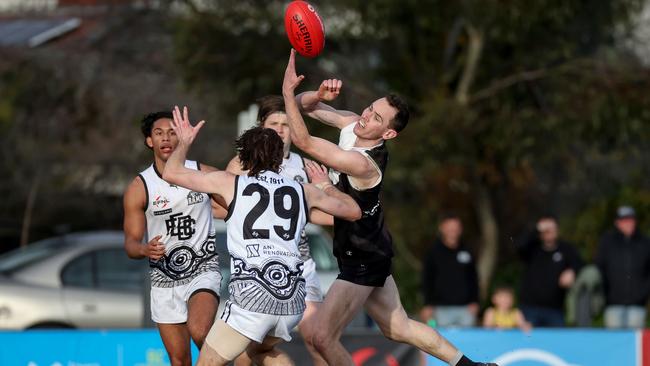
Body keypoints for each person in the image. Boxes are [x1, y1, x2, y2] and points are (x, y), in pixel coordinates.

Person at [282, 49, 497, 366]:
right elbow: (303, 108)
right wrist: (317, 94)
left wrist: (287, 91)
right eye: (370, 109)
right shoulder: (353, 124)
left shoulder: (364, 164)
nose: (366, 116)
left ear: (388, 134)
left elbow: (304, 141)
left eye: (376, 119)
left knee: (320, 337)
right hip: (370, 247)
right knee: (398, 328)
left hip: (363, 256)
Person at [162, 106, 362, 366]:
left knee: (207, 363)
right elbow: (353, 211)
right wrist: (324, 185)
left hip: (253, 299)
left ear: (244, 158)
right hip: (291, 301)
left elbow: (171, 173)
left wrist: (185, 143)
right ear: (280, 158)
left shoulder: (231, 182)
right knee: (259, 353)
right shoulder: (303, 190)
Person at [224, 95, 328, 366]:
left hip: (300, 266)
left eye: (286, 124)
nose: (281, 130)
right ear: (261, 126)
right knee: (249, 349)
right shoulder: (243, 164)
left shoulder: (306, 167)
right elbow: (222, 205)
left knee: (318, 338)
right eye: (274, 123)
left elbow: (324, 214)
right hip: (258, 269)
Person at [123, 111, 222, 366]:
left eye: (172, 132)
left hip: (203, 269)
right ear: (149, 141)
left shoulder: (202, 172)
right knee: (179, 360)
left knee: (200, 331)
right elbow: (130, 243)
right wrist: (144, 249)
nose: (166, 138)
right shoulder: (140, 186)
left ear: (182, 136)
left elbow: (237, 202)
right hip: (164, 281)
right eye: (159, 133)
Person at [516, 215, 583, 327]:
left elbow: (580, 264)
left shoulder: (566, 249)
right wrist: (536, 229)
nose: (549, 232)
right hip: (529, 308)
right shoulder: (532, 248)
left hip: (555, 310)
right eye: (545, 230)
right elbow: (519, 246)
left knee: (557, 343)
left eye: (552, 228)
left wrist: (573, 271)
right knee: (528, 343)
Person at [420, 214, 479, 328]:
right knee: (441, 342)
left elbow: (473, 278)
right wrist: (428, 304)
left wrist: (475, 301)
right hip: (440, 309)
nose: (453, 231)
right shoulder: (433, 253)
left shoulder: (467, 250)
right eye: (450, 228)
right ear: (442, 228)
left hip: (466, 309)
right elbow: (427, 280)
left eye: (456, 228)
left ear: (460, 229)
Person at [596, 205, 650, 329]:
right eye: (624, 220)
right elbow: (599, 268)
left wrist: (643, 293)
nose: (628, 223)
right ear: (617, 223)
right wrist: (606, 294)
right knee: (614, 343)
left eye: (631, 220)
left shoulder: (645, 242)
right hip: (612, 304)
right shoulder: (607, 242)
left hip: (638, 305)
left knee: (635, 341)